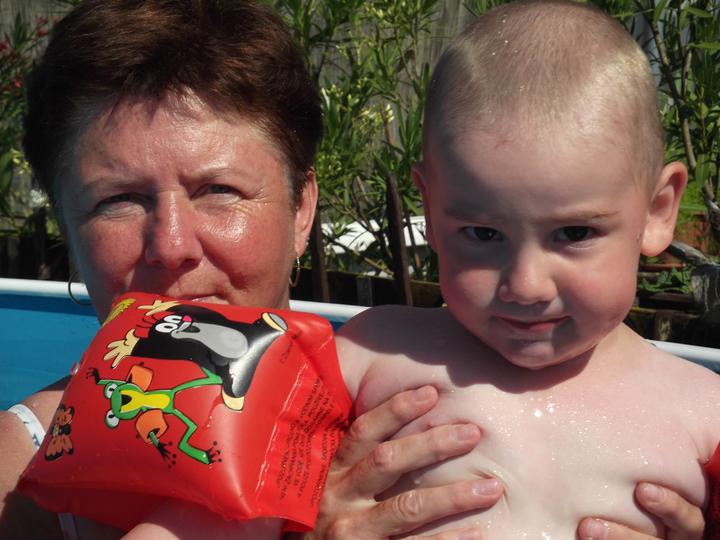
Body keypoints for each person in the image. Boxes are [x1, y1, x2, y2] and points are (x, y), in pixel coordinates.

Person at [0, 1, 705, 539]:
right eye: (118, 200)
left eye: (219, 189)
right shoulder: (375, 357)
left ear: (303, 208)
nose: (173, 245)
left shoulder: (700, 409)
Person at [333, 0, 720, 538]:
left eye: (574, 234)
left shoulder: (705, 413)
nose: (526, 286)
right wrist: (310, 522)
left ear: (656, 213)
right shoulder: (369, 356)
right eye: (483, 234)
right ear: (431, 208)